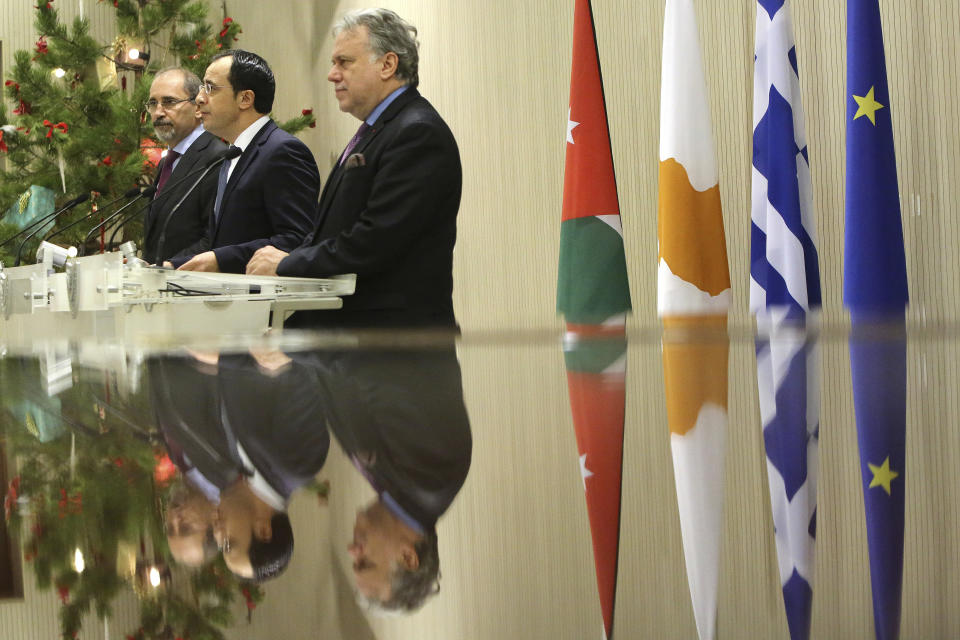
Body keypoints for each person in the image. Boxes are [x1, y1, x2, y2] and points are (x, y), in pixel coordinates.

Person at [246, 9, 462, 328]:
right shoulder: (378, 130)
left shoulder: (417, 133)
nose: (333, 74)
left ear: (387, 65)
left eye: (344, 62)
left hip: (393, 350)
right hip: (352, 345)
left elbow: (374, 241)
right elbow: (333, 231)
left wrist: (287, 262)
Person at [172, 50, 321, 274]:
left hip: (264, 304)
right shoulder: (232, 154)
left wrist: (222, 260)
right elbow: (220, 243)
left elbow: (298, 238)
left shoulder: (282, 151)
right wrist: (166, 267)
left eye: (210, 88)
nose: (200, 98)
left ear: (245, 99)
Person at [142, 67, 226, 265]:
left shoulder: (216, 157)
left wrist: (167, 267)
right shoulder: (167, 161)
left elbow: (214, 237)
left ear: (198, 107)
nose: (158, 112)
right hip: (161, 287)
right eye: (153, 104)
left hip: (192, 288)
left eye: (169, 102)